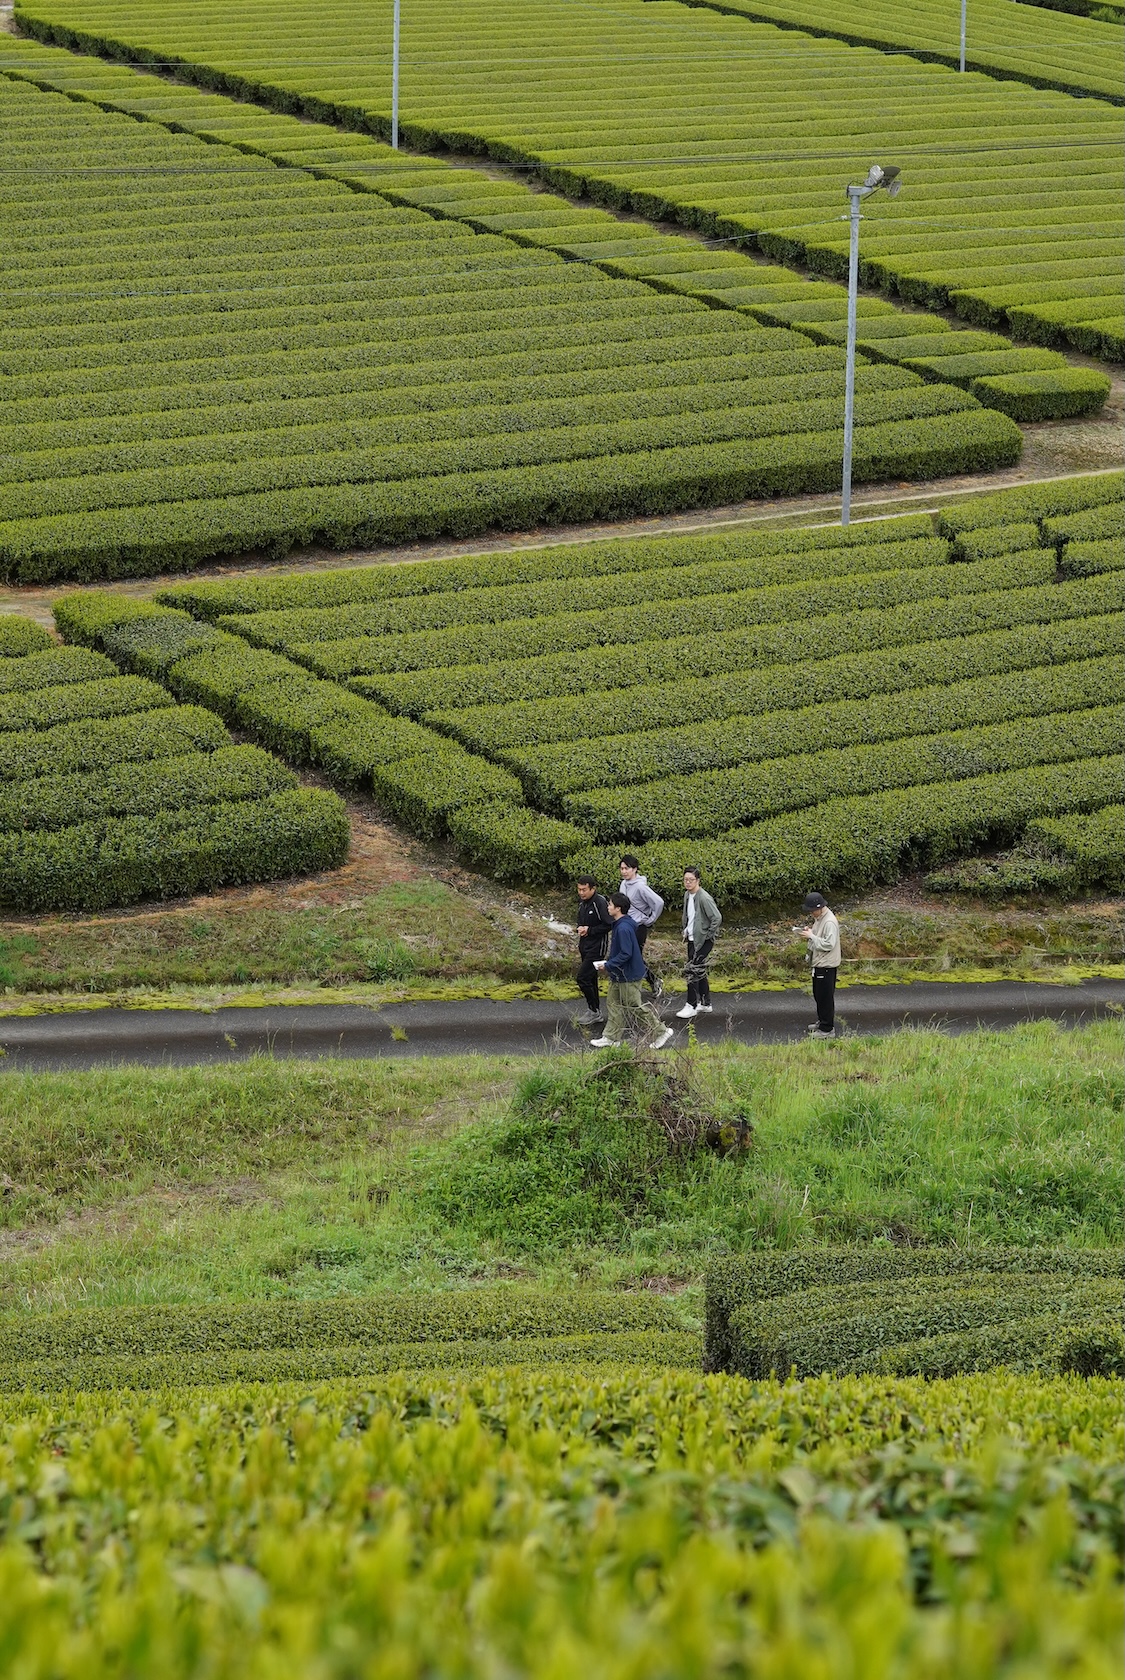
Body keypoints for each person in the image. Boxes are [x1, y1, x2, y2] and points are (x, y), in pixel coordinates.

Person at [590, 894, 674, 1050]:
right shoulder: (624, 923)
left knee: (634, 1006)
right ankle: (611, 1037)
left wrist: (608, 965)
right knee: (613, 1004)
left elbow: (626, 953)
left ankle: (661, 1032)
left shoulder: (622, 928)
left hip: (628, 975)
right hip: (619, 973)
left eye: (610, 904)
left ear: (618, 908)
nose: (607, 907)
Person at [675, 867, 722, 1018]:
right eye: (686, 880)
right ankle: (706, 1003)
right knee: (698, 970)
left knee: (692, 970)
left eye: (691, 880)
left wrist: (707, 935)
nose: (688, 883)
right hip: (692, 938)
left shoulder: (704, 898)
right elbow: (689, 916)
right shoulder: (687, 895)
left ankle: (691, 1005)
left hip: (702, 941)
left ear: (698, 881)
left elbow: (717, 917)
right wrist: (686, 929)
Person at [795, 891, 841, 1038]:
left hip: (826, 965)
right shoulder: (820, 918)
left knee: (825, 997)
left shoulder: (829, 921)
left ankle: (827, 1029)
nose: (811, 913)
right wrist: (811, 932)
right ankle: (822, 1022)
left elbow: (829, 944)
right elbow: (819, 935)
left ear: (819, 907)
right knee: (818, 995)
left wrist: (812, 937)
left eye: (812, 910)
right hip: (819, 963)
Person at [617, 854, 665, 997]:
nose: (624, 871)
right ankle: (645, 983)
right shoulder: (623, 884)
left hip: (638, 927)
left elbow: (659, 902)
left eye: (627, 868)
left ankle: (652, 981)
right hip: (626, 926)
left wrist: (650, 920)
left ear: (635, 869)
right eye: (622, 868)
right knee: (629, 956)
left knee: (633, 957)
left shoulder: (640, 887)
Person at [574, 875, 613, 1026]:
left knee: (582, 978)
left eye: (584, 890)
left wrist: (589, 930)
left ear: (593, 888)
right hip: (585, 946)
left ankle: (594, 1010)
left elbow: (609, 924)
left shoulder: (600, 902)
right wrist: (580, 928)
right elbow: (580, 921)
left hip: (597, 948)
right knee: (591, 979)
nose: (581, 893)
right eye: (579, 889)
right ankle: (594, 1010)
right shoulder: (582, 903)